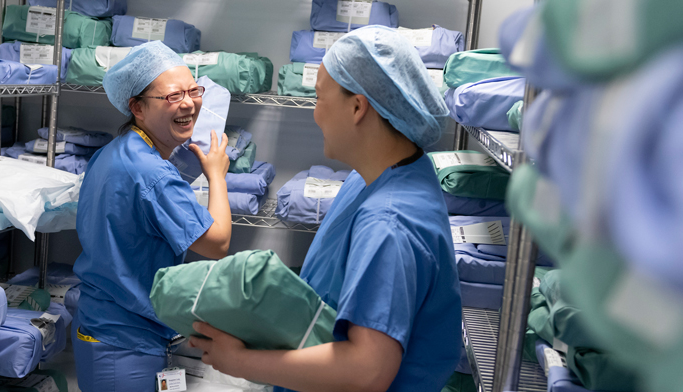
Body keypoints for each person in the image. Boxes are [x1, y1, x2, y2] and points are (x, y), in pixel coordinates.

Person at [187, 26, 463, 392]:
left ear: (357, 106)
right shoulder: (377, 175)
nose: (316, 115)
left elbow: (368, 370)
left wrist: (239, 362)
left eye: (319, 98)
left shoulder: (390, 223)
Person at [71, 40, 233, 392]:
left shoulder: (115, 153)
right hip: (125, 345)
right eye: (173, 96)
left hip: (101, 327)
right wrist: (217, 176)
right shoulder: (153, 174)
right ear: (137, 107)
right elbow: (218, 242)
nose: (189, 103)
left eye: (194, 90)